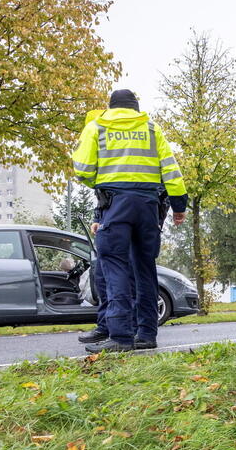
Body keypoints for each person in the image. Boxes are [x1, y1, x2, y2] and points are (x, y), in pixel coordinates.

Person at [71, 89, 186, 352]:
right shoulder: (152, 128)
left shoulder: (97, 126)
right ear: (136, 107)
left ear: (111, 107)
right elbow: (171, 169)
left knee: (115, 269)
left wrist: (102, 183)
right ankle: (146, 334)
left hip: (115, 203)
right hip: (148, 206)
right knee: (145, 270)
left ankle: (120, 337)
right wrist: (179, 206)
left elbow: (83, 170)